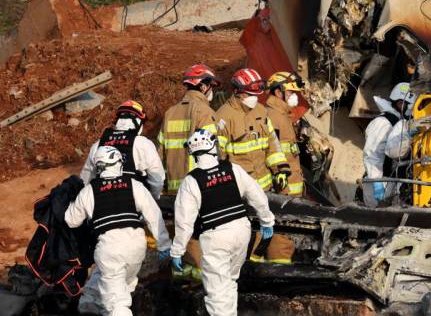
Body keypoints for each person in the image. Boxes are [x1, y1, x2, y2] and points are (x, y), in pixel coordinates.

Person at [169, 129, 275, 316]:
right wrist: (267, 221)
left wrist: (177, 251)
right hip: (241, 231)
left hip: (216, 237)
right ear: (213, 148)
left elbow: (184, 222)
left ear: (193, 154)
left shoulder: (191, 181)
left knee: (218, 292)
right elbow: (256, 195)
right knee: (229, 282)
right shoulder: (232, 169)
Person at [65, 146, 171, 316]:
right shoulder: (134, 185)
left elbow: (71, 220)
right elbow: (154, 216)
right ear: (119, 163)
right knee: (110, 282)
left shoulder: (89, 191)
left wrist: (68, 201)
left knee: (116, 303)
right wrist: (164, 245)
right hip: (136, 248)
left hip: (110, 250)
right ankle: (87, 306)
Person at [213, 68, 289, 192]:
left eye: (255, 94)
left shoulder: (261, 111)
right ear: (237, 91)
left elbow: (273, 144)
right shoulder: (223, 117)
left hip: (266, 189)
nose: (253, 98)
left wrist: (280, 170)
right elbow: (217, 158)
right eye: (249, 94)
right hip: (241, 191)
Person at [159, 64, 223, 196]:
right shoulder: (205, 112)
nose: (212, 91)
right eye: (212, 86)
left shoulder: (169, 113)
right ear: (203, 87)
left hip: (174, 188)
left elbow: (160, 153)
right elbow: (214, 151)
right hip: (199, 187)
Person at [81, 100, 165, 199]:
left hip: (103, 204)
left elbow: (85, 180)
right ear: (138, 122)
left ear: (118, 120)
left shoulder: (98, 144)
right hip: (133, 206)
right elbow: (157, 179)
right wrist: (152, 199)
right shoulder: (143, 144)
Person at [362, 82, 417, 207]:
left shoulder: (400, 123)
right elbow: (372, 154)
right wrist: (377, 182)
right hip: (379, 183)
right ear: (400, 103)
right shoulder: (383, 122)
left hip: (391, 182)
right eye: (408, 105)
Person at [264, 72, 305, 196]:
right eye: (291, 92)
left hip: (293, 187)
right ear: (278, 92)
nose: (294, 96)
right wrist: (283, 190)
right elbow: (272, 154)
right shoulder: (273, 117)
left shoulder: (283, 115)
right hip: (286, 192)